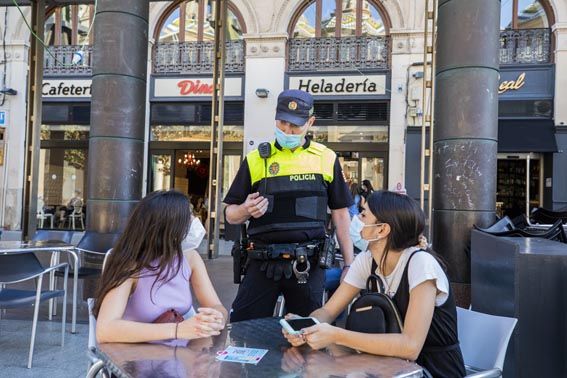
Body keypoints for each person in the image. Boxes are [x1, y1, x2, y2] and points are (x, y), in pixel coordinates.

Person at [283, 191, 466, 377]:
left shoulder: (420, 264)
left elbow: (410, 346)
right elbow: (328, 311)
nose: (357, 220)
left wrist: (336, 335)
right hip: (385, 368)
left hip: (432, 371)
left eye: (363, 215)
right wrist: (307, 329)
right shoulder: (367, 260)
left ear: (382, 230)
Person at [223, 89, 354, 322]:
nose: (287, 130)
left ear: (310, 122)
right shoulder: (255, 159)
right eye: (282, 122)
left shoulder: (326, 158)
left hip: (308, 265)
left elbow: (341, 214)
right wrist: (244, 210)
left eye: (295, 125)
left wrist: (349, 264)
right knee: (243, 330)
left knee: (307, 335)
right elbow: (230, 214)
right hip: (261, 263)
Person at [94, 190, 227, 345]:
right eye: (188, 217)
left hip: (179, 355)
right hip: (134, 357)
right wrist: (177, 330)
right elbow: (105, 330)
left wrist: (218, 318)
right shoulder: (130, 265)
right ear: (169, 227)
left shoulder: (190, 258)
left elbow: (216, 305)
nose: (194, 221)